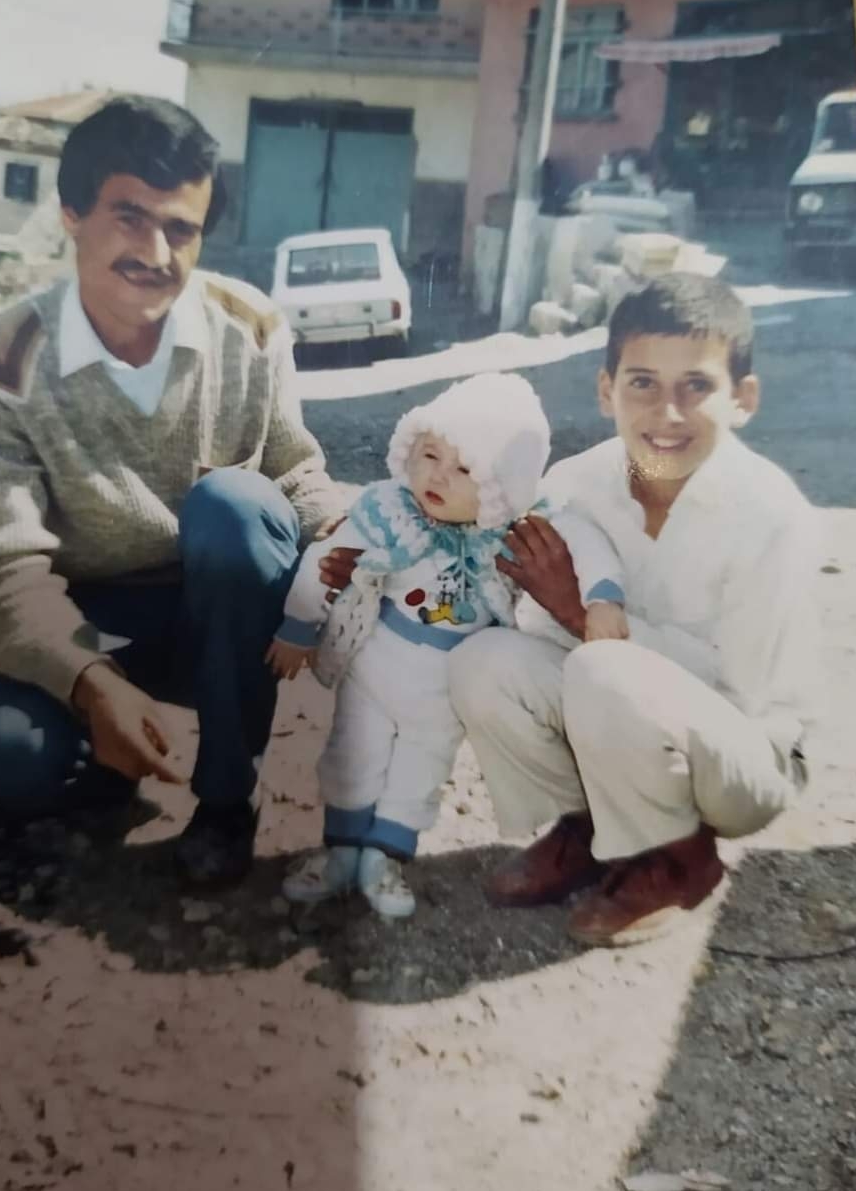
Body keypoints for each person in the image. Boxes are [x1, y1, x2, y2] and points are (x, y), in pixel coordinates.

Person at [0, 95, 347, 889]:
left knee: (235, 506)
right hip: (93, 615)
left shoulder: (251, 326)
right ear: (71, 214)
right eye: (128, 217)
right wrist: (90, 683)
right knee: (15, 763)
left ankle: (228, 799)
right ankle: (109, 748)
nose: (156, 253)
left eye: (181, 229)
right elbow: (3, 569)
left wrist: (354, 542)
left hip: (222, 617)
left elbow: (294, 470)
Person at [448, 273, 821, 947]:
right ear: (606, 390)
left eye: (696, 385)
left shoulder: (773, 516)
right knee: (487, 661)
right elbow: (541, 630)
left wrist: (584, 615)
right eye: (643, 383)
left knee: (605, 668)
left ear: (743, 399)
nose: (667, 413)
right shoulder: (575, 484)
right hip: (629, 711)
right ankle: (592, 828)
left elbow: (742, 695)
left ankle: (680, 858)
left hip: (746, 762)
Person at [265, 373, 627, 919]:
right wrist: (297, 628)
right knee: (352, 753)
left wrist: (603, 596)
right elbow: (327, 556)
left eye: (465, 470)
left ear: (501, 489)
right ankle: (340, 851)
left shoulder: (511, 529)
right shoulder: (389, 511)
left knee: (421, 770)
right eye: (431, 455)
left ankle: (384, 858)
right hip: (375, 664)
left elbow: (584, 537)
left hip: (444, 686)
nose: (438, 475)